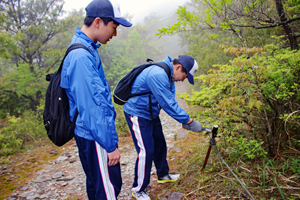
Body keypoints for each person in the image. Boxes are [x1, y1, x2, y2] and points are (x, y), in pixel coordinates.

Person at [60, 0, 132, 199]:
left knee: (96, 186)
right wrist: (110, 145)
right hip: (94, 135)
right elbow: (92, 107)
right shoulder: (82, 56)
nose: (114, 34)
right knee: (108, 189)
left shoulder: (86, 48)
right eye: (114, 27)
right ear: (98, 22)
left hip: (90, 133)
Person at [123, 55, 203, 200]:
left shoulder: (168, 74)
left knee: (160, 144)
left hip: (151, 113)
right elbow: (167, 104)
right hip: (138, 113)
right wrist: (189, 121)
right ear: (178, 67)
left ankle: (163, 174)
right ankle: (138, 189)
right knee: (146, 151)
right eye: (184, 76)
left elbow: (170, 99)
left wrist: (185, 121)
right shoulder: (158, 74)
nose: (183, 80)